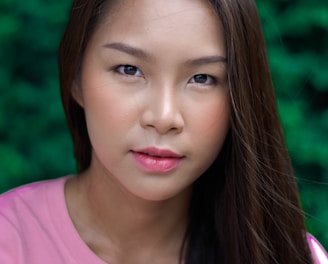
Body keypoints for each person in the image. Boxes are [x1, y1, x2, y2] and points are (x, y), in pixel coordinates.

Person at [0, 0, 327, 263]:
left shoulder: (290, 257)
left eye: (202, 78)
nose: (163, 117)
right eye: (129, 69)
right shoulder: (10, 240)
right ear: (75, 76)